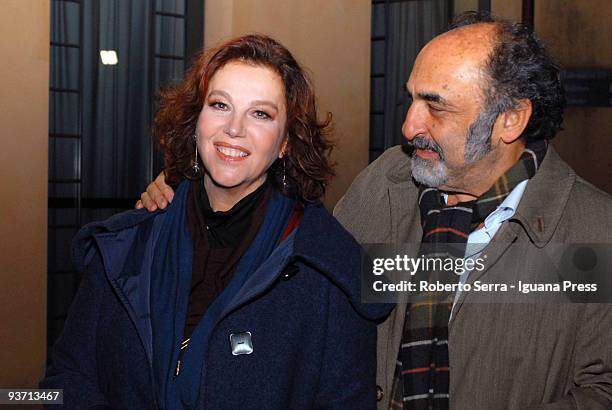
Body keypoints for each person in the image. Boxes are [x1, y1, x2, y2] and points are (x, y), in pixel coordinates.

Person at [139, 13, 612, 409]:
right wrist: (193, 194)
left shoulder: (593, 233)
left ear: (511, 120)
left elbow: (601, 388)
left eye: (436, 106)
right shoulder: (387, 183)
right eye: (412, 98)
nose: (409, 126)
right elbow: (301, 272)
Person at [41, 34, 391, 409]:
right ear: (196, 121)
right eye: (220, 105)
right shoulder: (124, 248)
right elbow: (59, 384)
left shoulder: (328, 271)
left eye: (261, 114)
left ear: (286, 140)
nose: (234, 129)